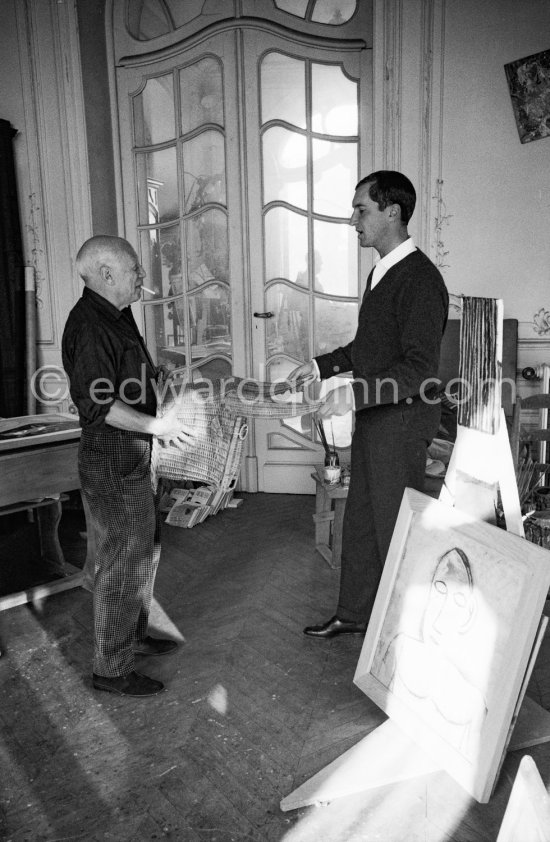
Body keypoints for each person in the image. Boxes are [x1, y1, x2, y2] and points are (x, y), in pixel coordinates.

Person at [290, 171, 449, 639]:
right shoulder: (382, 271)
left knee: (394, 527)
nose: (352, 220)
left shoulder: (420, 279)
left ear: (392, 212)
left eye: (361, 210)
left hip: (401, 421)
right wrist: (321, 367)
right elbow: (370, 348)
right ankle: (355, 613)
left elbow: (419, 369)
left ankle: (401, 635)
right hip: (378, 417)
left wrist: (354, 393)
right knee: (360, 518)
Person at [62, 235, 194, 697]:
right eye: (135, 270)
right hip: (112, 454)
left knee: (145, 547)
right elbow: (100, 406)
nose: (142, 277)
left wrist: (155, 377)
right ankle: (111, 669)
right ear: (105, 274)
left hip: (132, 453)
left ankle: (132, 637)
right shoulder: (91, 327)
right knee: (123, 560)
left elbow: (126, 374)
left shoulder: (115, 315)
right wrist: (158, 425)